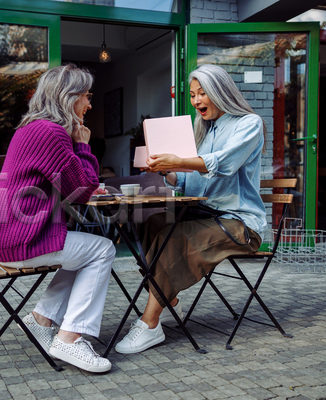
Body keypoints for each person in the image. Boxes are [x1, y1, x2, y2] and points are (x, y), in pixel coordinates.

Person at [115, 64, 267, 354]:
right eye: (193, 95)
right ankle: (168, 299)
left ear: (221, 92)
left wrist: (178, 161)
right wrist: (163, 169)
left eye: (203, 93)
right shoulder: (206, 132)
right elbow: (188, 181)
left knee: (175, 237)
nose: (197, 101)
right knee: (153, 221)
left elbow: (223, 163)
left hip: (241, 224)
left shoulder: (249, 123)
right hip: (208, 215)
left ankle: (150, 323)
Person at [0, 64, 115, 373]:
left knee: (81, 252)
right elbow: (81, 191)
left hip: (3, 237)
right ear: (69, 98)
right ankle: (69, 338)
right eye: (86, 96)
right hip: (18, 241)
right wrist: (83, 144)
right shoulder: (51, 133)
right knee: (103, 249)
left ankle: (42, 320)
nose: (90, 104)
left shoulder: (32, 128)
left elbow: (71, 187)